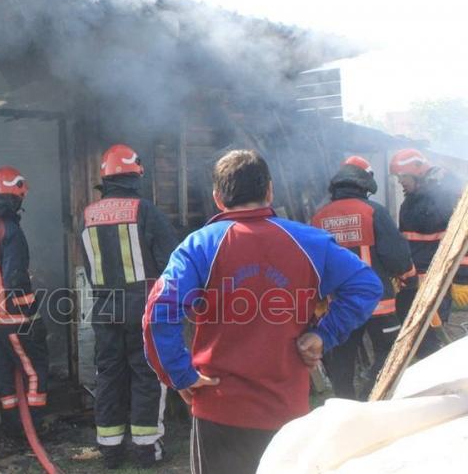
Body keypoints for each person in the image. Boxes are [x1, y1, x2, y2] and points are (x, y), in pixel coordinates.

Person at [143, 149, 382, 474]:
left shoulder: (199, 246)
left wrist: (179, 374)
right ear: (269, 190)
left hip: (219, 407)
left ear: (217, 197)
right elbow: (366, 285)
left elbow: (159, 313)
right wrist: (323, 335)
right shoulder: (310, 242)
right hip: (287, 413)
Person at [80, 144, 179, 469]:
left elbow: (90, 266)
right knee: (147, 374)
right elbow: (170, 262)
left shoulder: (89, 215)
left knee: (109, 375)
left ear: (106, 178)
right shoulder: (146, 211)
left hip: (104, 309)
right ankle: (146, 450)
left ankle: (110, 450)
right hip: (143, 309)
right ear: (136, 176)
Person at [311, 156, 415, 399]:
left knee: (342, 361)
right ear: (365, 183)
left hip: (339, 308)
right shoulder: (373, 212)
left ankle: (344, 407)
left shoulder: (319, 217)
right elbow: (397, 257)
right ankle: (375, 394)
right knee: (390, 355)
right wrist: (410, 278)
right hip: (378, 305)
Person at [0, 166, 49, 435]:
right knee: (35, 369)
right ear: (13, 198)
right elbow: (14, 280)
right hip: (12, 317)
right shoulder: (12, 232)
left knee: (4, 371)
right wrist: (33, 317)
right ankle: (35, 428)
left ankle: (12, 428)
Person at [390, 148, 467, 354]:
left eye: (403, 176)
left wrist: (461, 278)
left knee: (432, 337)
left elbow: (459, 238)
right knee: (419, 335)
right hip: (416, 280)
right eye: (398, 177)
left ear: (418, 172)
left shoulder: (444, 197)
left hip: (438, 279)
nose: (400, 181)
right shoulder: (410, 202)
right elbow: (407, 241)